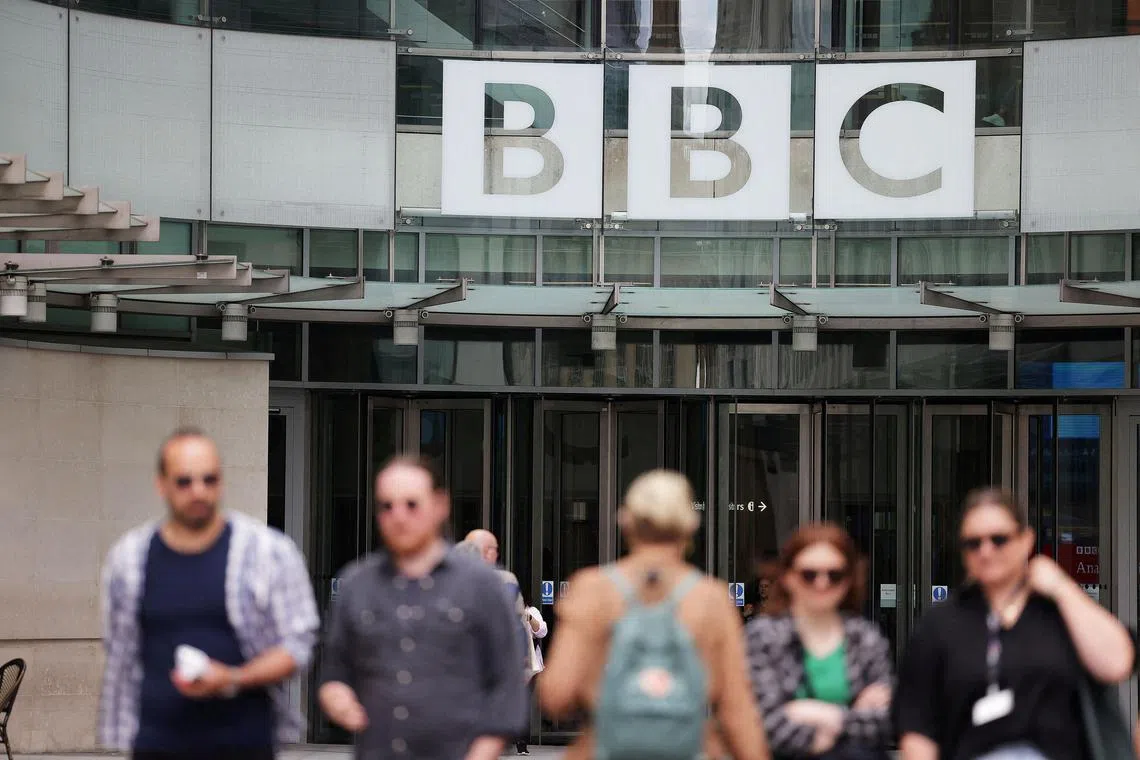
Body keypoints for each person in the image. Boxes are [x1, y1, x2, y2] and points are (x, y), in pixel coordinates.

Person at [99, 428, 320, 760]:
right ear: (162, 484)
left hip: (244, 744)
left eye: (209, 479)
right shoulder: (129, 559)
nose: (198, 491)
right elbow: (120, 648)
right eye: (184, 481)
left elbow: (298, 644)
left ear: (222, 482)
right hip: (156, 744)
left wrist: (233, 677)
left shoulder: (268, 553)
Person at [538, 469, 768, 760]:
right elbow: (737, 708)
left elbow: (557, 694)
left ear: (625, 520)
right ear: (691, 524)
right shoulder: (711, 598)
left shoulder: (593, 589)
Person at [896, 487, 1136, 760]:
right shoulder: (939, 625)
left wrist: (1061, 586)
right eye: (973, 543)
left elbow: (1118, 664)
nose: (986, 551)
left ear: (1026, 540)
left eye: (999, 539)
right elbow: (917, 730)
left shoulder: (1061, 612)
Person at [318, 455, 528, 760]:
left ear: (441, 505)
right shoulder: (356, 584)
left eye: (412, 504)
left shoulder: (482, 586)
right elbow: (334, 674)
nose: (399, 516)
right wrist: (337, 697)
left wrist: (481, 753)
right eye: (387, 506)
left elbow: (508, 686)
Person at [747, 523, 894, 760]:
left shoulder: (865, 637)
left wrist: (818, 714)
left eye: (834, 575)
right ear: (787, 577)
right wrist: (851, 716)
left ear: (847, 580)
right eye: (809, 574)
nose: (821, 583)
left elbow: (884, 722)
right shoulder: (763, 637)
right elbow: (766, 725)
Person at [516, 595, 548, 755]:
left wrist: (528, 618)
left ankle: (522, 743)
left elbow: (542, 631)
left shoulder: (531, 611)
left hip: (529, 666)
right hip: (508, 665)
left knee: (523, 704)